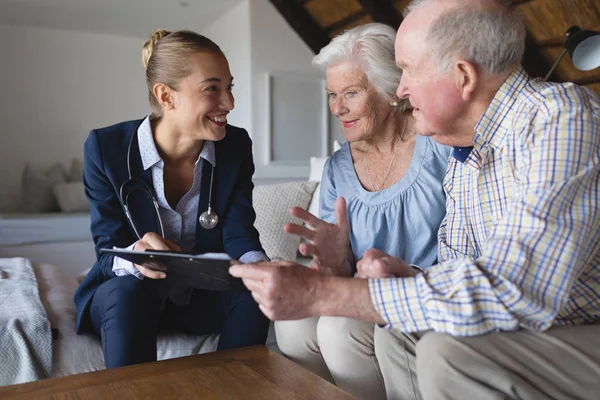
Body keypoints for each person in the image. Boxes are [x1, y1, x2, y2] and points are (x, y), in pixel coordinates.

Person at [230, 1, 600, 399]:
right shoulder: (466, 151)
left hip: (576, 323)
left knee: (445, 353)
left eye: (409, 69)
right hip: (530, 321)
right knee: (397, 331)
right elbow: (459, 264)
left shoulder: (560, 119)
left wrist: (319, 293)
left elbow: (519, 287)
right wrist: (406, 275)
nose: (401, 87)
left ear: (462, 76)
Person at [74, 29, 270, 369]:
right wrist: (137, 255)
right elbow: (108, 248)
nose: (229, 103)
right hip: (130, 300)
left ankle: (237, 390)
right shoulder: (106, 149)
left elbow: (239, 236)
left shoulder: (235, 147)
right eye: (212, 88)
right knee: (128, 291)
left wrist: (263, 269)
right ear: (166, 96)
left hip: (200, 302)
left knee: (255, 291)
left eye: (229, 87)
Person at [273, 23, 449, 399]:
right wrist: (336, 260)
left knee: (338, 329)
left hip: (423, 295)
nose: (337, 107)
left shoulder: (438, 146)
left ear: (389, 90)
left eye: (350, 92)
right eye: (332, 94)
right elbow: (341, 273)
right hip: (362, 293)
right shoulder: (337, 168)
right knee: (292, 321)